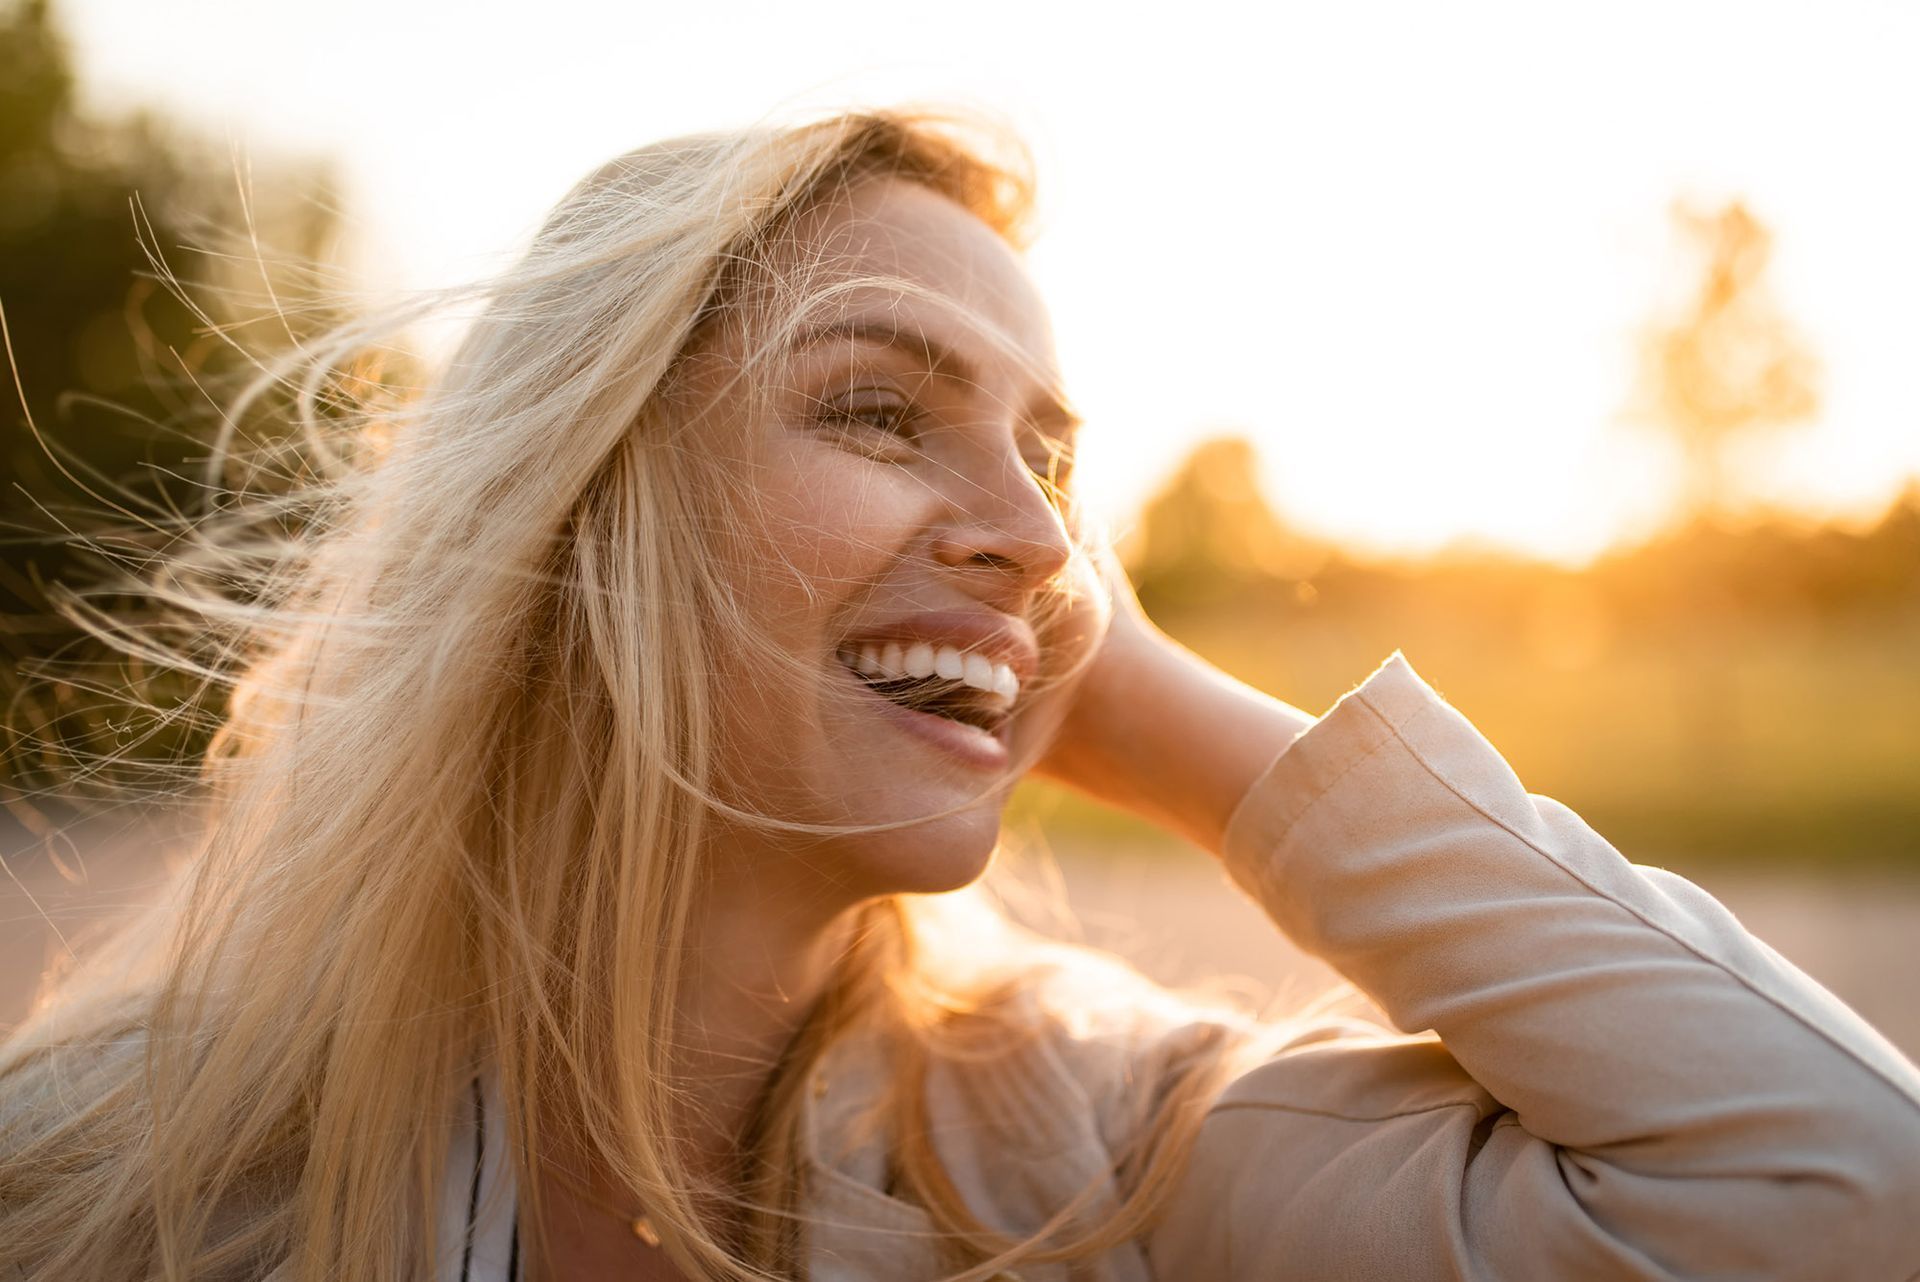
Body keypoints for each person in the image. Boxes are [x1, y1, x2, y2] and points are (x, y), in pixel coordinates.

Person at [2, 108, 1917, 1282]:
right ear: (569, 512)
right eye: (876, 407)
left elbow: (1835, 1187)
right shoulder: (104, 1183)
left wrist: (1140, 691)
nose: (1035, 535)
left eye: (1054, 463)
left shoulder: (1091, 1152)